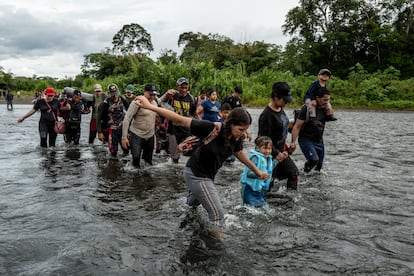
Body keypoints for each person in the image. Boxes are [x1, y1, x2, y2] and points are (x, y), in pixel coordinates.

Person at [135, 96, 270, 239]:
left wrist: (257, 171)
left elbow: (239, 153)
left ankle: (181, 215)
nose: (243, 133)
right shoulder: (210, 128)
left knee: (191, 206)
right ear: (231, 123)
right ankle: (216, 251)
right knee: (218, 216)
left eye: (245, 130)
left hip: (207, 177)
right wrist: (150, 107)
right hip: (196, 174)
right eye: (241, 129)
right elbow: (179, 119)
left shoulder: (236, 138)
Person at [258, 81, 299, 191]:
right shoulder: (266, 116)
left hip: (282, 152)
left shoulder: (280, 109)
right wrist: (276, 153)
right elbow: (261, 140)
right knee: (267, 186)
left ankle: (291, 202)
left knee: (293, 173)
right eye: (284, 100)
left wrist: (288, 147)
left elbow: (282, 130)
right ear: (276, 97)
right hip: (269, 155)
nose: (286, 103)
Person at [291, 87, 333, 173]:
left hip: (319, 141)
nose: (326, 102)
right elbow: (297, 127)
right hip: (306, 139)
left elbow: (329, 118)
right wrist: (293, 142)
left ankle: (315, 184)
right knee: (314, 160)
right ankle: (303, 175)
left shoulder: (325, 108)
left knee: (319, 167)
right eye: (325, 100)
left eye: (328, 100)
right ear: (317, 98)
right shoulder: (307, 109)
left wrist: (330, 112)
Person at [159, 77, 198, 163]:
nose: (184, 90)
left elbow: (193, 113)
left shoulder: (191, 98)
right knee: (175, 157)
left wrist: (199, 124)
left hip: (186, 129)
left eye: (186, 88)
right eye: (182, 87)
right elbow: (158, 102)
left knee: (189, 153)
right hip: (173, 129)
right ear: (177, 86)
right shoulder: (172, 96)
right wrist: (166, 94)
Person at [121, 84, 159, 167]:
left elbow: (162, 109)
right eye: (150, 94)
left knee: (148, 161)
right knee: (136, 157)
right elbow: (127, 119)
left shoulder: (155, 103)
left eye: (154, 94)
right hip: (136, 134)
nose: (152, 97)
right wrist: (124, 137)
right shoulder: (136, 103)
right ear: (144, 92)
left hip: (150, 135)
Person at [240, 136, 276, 208]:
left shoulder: (268, 158)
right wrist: (259, 175)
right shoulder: (255, 157)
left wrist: (277, 160)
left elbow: (269, 169)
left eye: (269, 148)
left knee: (264, 208)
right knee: (250, 209)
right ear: (257, 148)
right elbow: (249, 173)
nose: (267, 151)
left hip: (259, 189)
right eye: (265, 148)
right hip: (249, 188)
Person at [96, 83, 129, 158]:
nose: (114, 96)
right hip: (111, 129)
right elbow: (98, 117)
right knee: (113, 151)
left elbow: (129, 111)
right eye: (112, 94)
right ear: (109, 93)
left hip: (123, 128)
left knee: (126, 149)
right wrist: (100, 132)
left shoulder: (123, 99)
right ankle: (112, 166)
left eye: (115, 93)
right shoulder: (105, 103)